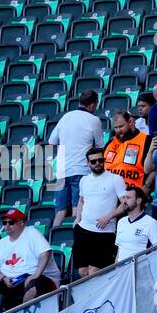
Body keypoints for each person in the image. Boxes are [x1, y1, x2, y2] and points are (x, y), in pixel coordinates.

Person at [0, 210, 60, 311]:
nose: (7, 225)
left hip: (38, 277)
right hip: (11, 280)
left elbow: (45, 253)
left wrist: (36, 274)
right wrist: (4, 278)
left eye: (11, 222)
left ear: (21, 223)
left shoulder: (32, 233)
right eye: (5, 223)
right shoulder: (1, 243)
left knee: (33, 284)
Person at [49, 91, 103, 227]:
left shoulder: (66, 117)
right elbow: (99, 146)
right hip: (81, 170)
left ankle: (51, 239)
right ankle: (71, 242)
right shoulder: (94, 120)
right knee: (76, 210)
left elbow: (51, 142)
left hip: (62, 171)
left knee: (60, 212)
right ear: (92, 105)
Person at [73, 147, 127, 277]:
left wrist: (109, 216)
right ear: (88, 163)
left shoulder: (115, 179)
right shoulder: (84, 180)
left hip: (104, 232)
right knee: (82, 271)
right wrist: (77, 218)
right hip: (83, 230)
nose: (97, 163)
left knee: (94, 271)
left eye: (100, 160)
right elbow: (81, 201)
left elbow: (125, 204)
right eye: (93, 161)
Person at [113, 187, 157, 261]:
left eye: (128, 198)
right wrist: (117, 270)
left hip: (140, 270)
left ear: (138, 200)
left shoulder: (151, 223)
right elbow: (119, 251)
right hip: (122, 270)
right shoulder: (121, 222)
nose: (124, 201)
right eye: (124, 198)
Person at [103, 110, 148, 191]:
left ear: (130, 122)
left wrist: (146, 187)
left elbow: (155, 169)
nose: (118, 130)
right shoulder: (110, 142)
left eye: (121, 126)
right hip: (109, 192)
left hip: (133, 194)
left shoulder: (146, 140)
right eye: (116, 128)